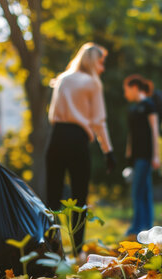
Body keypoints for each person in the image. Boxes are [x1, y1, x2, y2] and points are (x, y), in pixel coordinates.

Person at [46, 42, 115, 254]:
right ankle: (77, 250)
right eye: (101, 62)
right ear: (93, 61)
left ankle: (50, 248)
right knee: (79, 198)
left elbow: (52, 113)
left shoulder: (62, 79)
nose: (102, 67)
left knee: (52, 198)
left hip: (56, 137)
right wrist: (108, 151)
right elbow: (98, 121)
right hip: (77, 140)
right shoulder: (92, 82)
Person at [123, 75, 161, 236]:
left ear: (134, 88)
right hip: (136, 156)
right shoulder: (134, 109)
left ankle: (137, 227)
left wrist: (156, 155)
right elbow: (132, 134)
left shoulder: (149, 106)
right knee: (144, 191)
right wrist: (128, 152)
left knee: (138, 191)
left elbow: (154, 130)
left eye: (126, 90)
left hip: (146, 156)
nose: (125, 94)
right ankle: (146, 227)